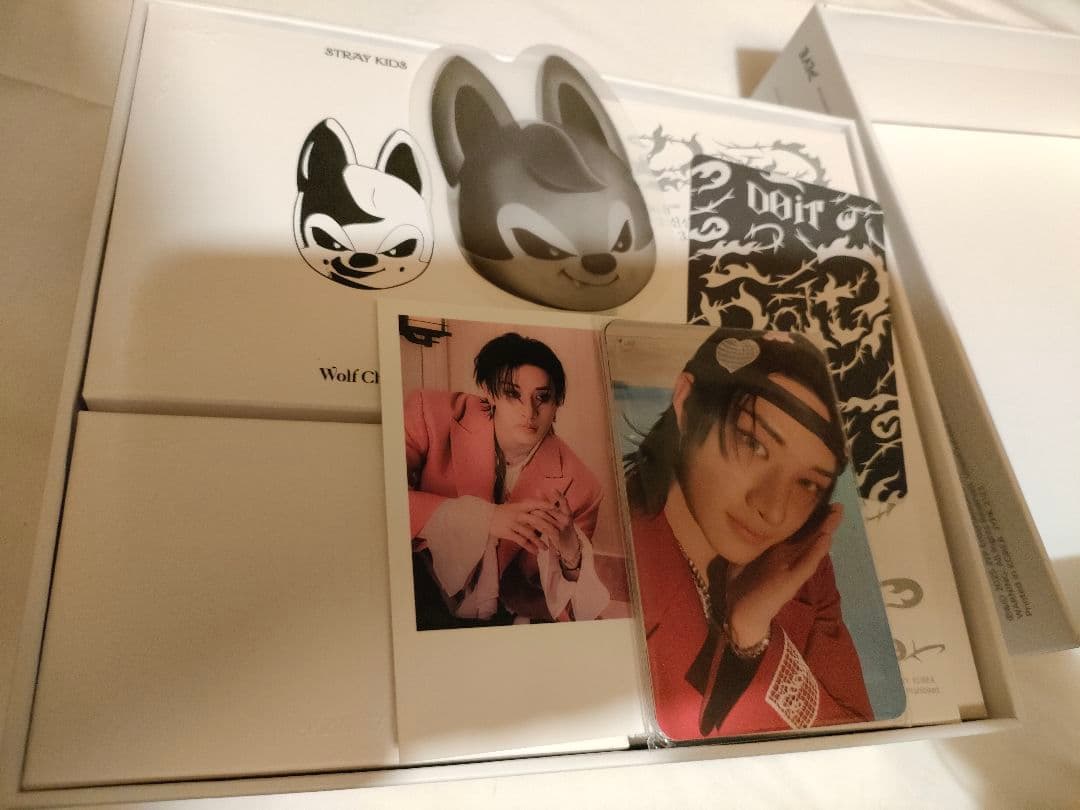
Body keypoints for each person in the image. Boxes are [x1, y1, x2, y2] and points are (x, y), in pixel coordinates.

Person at [623, 328, 872, 739]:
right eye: (753, 443)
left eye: (807, 483)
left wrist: (752, 634)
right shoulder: (601, 549)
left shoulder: (801, 570)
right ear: (686, 402)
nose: (773, 509)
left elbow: (855, 738)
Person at [405, 332, 610, 629]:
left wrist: (571, 554)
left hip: (506, 614)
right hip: (419, 586)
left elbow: (576, 608)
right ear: (488, 392)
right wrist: (484, 518)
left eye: (543, 397)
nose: (529, 412)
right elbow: (381, 500)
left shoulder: (582, 486)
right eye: (513, 394)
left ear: (557, 404)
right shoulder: (428, 413)